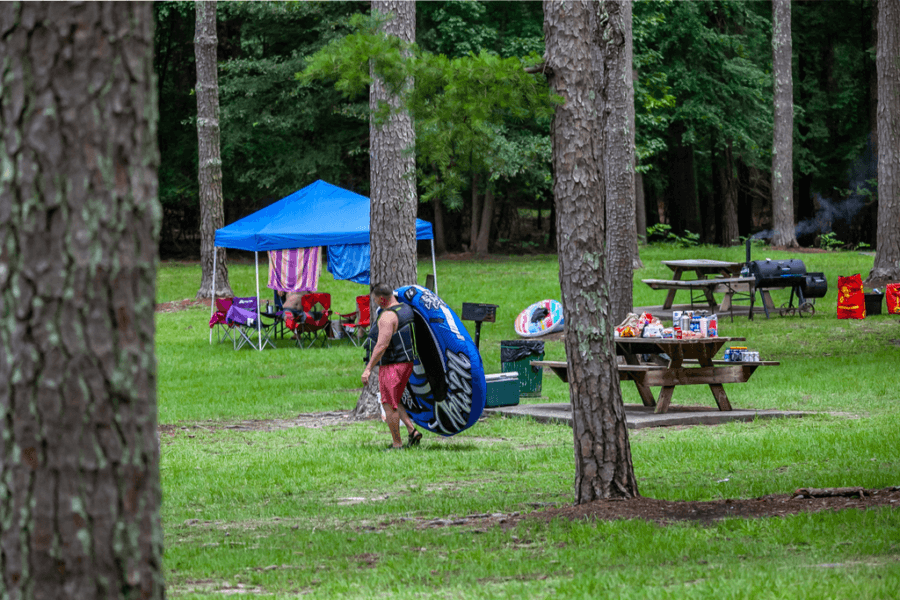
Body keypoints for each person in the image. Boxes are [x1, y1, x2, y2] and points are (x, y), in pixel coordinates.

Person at [361, 284, 423, 450]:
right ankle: (412, 431)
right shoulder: (406, 309)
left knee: (388, 403)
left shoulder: (387, 317)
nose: (375, 303)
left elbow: (382, 346)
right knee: (395, 399)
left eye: (375, 300)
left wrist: (368, 369)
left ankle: (397, 444)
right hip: (407, 362)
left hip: (393, 365)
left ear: (382, 299)